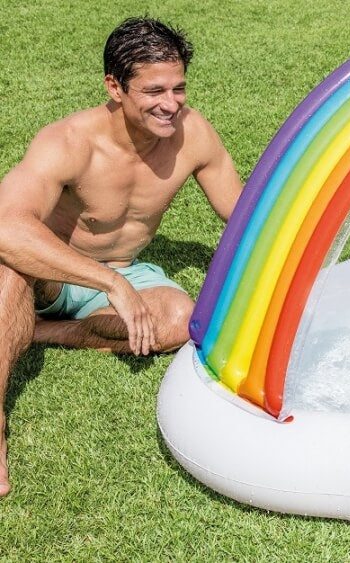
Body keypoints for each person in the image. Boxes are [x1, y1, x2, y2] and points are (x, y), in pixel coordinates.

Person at [0, 17, 244, 496]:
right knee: (9, 273)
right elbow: (7, 227)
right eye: (154, 91)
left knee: (179, 320)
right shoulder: (68, 142)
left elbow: (241, 212)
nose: (170, 104)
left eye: (178, 88)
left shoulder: (193, 135)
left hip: (124, 266)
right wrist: (113, 286)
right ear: (115, 86)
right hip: (50, 269)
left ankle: (36, 332)